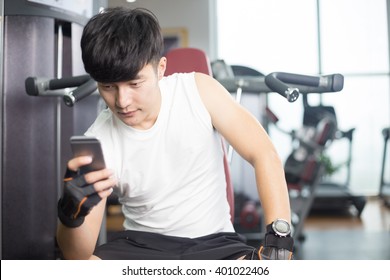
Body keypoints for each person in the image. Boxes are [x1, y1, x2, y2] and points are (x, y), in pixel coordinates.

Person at [56, 7, 294, 260]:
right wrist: (71, 214)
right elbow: (77, 258)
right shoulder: (100, 140)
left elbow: (264, 153)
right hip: (141, 248)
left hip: (216, 244)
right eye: (108, 87)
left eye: (134, 84)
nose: (122, 101)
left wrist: (279, 242)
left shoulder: (198, 90)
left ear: (160, 69)